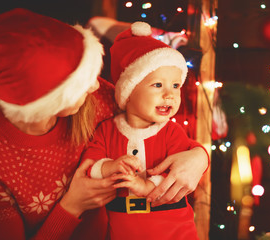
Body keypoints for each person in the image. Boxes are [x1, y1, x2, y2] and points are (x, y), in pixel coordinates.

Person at [0, 9, 208, 240]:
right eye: (80, 83)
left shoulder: (96, 100)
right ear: (46, 99)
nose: (95, 85)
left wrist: (199, 156)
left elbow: (150, 123)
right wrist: (73, 205)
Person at [82, 22, 207, 240]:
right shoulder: (107, 130)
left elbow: (180, 173)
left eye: (176, 86)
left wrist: (146, 185)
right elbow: (90, 166)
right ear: (128, 92)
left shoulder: (171, 132)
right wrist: (111, 166)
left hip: (173, 227)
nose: (170, 95)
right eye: (158, 85)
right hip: (123, 227)